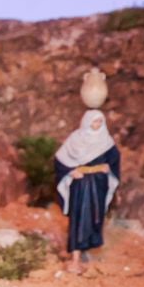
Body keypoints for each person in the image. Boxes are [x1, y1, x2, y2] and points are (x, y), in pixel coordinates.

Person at [53, 108, 120, 275]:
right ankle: (75, 257)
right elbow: (61, 159)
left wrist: (108, 168)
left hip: (98, 185)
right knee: (78, 218)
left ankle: (85, 249)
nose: (97, 125)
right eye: (94, 121)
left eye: (99, 121)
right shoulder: (76, 139)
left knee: (93, 217)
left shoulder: (106, 141)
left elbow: (113, 161)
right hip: (81, 186)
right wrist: (70, 171)